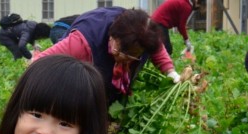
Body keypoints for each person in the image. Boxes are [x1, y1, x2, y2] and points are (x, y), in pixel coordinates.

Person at [34, 7, 180, 106]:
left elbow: (159, 50)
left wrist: (171, 73)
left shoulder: (146, 35)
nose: (124, 59)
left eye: (132, 56)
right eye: (119, 52)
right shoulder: (82, 42)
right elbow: (38, 63)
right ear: (112, 35)